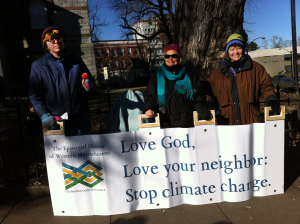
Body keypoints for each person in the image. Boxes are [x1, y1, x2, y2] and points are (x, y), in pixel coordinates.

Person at [28, 26, 95, 135]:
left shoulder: (76, 61)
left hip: (79, 118)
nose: (56, 41)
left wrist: (88, 86)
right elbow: (34, 94)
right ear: (45, 44)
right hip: (53, 119)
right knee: (59, 151)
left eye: (59, 38)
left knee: (83, 151)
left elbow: (90, 84)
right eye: (51, 39)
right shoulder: (38, 65)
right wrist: (44, 114)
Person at [206, 34, 280, 125]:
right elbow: (206, 89)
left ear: (243, 50)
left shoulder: (256, 68)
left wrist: (271, 98)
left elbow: (266, 86)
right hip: (227, 123)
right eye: (232, 49)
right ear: (228, 52)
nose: (235, 52)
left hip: (251, 120)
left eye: (238, 48)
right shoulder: (218, 73)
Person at [144, 44, 210, 128]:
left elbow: (199, 94)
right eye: (167, 56)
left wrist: (200, 105)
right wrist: (149, 108)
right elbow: (150, 96)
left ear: (179, 57)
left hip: (189, 123)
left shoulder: (190, 75)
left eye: (174, 56)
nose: (170, 58)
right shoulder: (156, 76)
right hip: (166, 125)